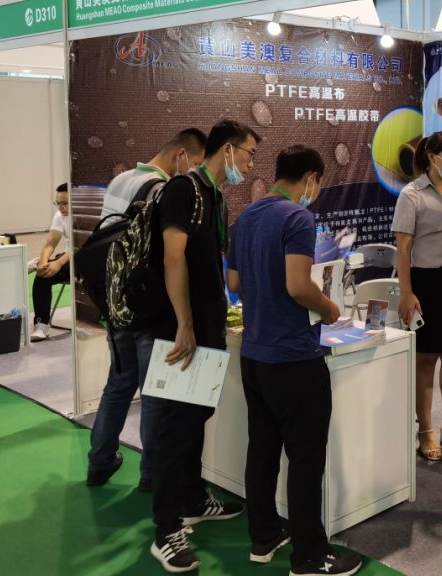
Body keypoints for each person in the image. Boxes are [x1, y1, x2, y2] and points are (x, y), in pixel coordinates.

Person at [226, 145, 363, 576]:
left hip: (255, 356)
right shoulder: (298, 217)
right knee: (306, 458)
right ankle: (309, 556)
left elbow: (234, 282)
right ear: (311, 178)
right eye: (318, 183)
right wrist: (329, 308)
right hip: (294, 358)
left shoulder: (245, 217)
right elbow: (298, 286)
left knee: (262, 449)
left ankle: (264, 535)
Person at [149, 119, 259, 573]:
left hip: (207, 328)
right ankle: (165, 530)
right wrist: (184, 322)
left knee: (197, 419)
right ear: (228, 149)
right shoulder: (184, 189)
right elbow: (172, 257)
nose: (250, 165)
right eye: (249, 154)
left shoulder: (215, 195)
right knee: (175, 428)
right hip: (182, 330)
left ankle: (192, 500)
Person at [86, 128, 207, 490]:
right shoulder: (162, 189)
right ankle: (151, 474)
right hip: (145, 304)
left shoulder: (120, 180)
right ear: (180, 156)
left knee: (119, 382)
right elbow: (169, 256)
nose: (192, 174)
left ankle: (99, 462)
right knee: (154, 393)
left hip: (114, 302)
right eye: (194, 164)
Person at [392, 131, 442, 462]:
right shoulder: (412, 194)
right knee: (425, 360)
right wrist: (407, 292)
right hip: (426, 282)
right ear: (432, 157)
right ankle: (425, 430)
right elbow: (403, 248)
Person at [31, 183, 71, 340]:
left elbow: (81, 246)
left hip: (86, 259)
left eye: (65, 203)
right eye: (58, 203)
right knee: (42, 275)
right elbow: (50, 243)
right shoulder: (59, 216)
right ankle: (41, 325)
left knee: (57, 265)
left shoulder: (86, 215)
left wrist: (59, 263)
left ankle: (41, 263)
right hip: (68, 257)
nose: (61, 207)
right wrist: (43, 262)